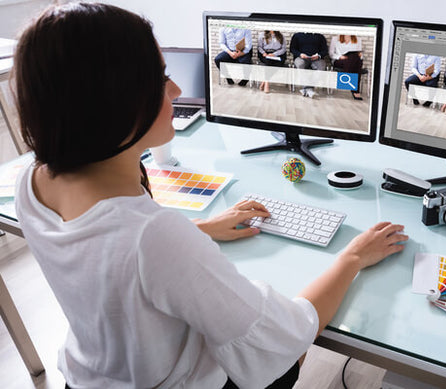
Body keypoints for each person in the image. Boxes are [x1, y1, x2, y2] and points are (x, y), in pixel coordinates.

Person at [9, 4, 409, 388]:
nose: (178, 89)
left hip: (87, 375)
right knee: (287, 348)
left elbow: (108, 254)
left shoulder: (31, 181)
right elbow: (278, 337)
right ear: (112, 100)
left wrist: (200, 227)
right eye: (159, 79)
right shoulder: (154, 237)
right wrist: (352, 257)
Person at [289, 32, 328, 98]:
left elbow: (325, 50)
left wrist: (318, 56)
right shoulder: (297, 35)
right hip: (301, 57)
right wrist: (300, 54)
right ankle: (308, 89)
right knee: (300, 64)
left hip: (316, 59)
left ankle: (307, 88)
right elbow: (292, 49)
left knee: (321, 66)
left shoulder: (320, 36)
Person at [330, 35, 364, 100]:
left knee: (355, 58)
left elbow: (360, 55)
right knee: (355, 61)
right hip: (339, 60)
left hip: (353, 61)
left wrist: (360, 55)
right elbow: (331, 54)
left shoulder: (358, 39)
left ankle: (346, 78)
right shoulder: (335, 38)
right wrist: (340, 57)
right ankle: (355, 91)